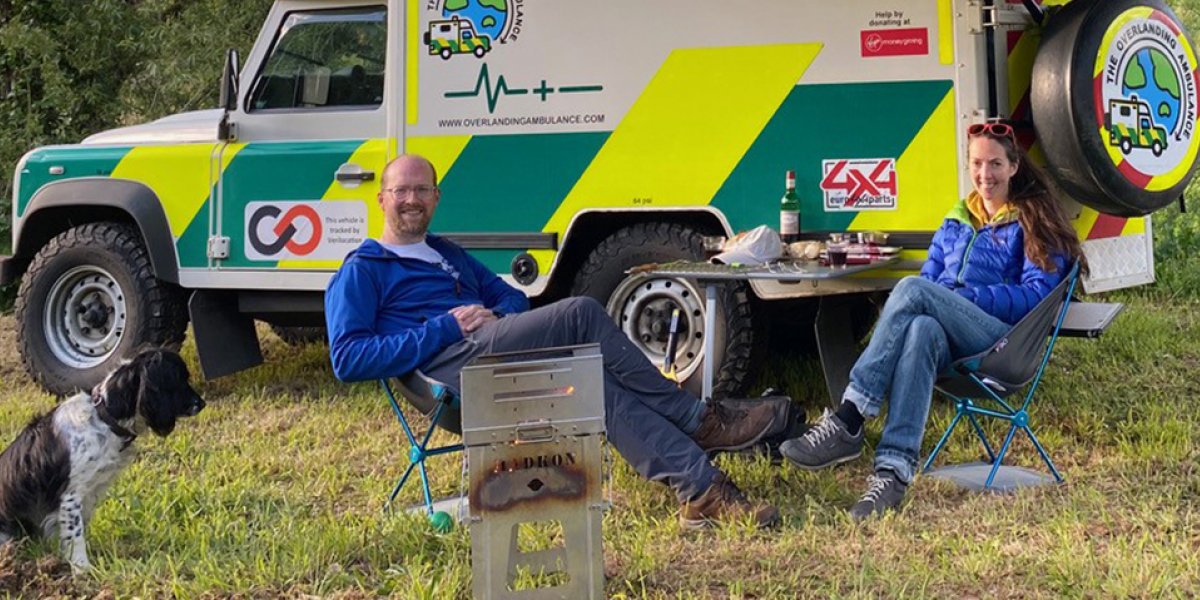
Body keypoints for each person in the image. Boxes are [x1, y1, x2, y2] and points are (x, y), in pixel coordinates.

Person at [325, 154, 782, 529]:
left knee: (593, 379)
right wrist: (445, 327)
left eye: (422, 190)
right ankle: (696, 418)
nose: (411, 199)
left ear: (436, 197)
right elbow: (347, 359)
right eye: (401, 191)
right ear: (382, 198)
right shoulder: (364, 268)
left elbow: (510, 296)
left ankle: (701, 490)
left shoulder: (446, 253)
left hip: (487, 346)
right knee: (580, 312)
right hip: (449, 371)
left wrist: (495, 314)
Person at [779, 121, 1087, 519]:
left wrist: (965, 297)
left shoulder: (1033, 220)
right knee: (921, 326)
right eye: (977, 163)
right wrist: (940, 300)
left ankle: (852, 414)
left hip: (1002, 343)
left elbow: (1036, 297)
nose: (984, 174)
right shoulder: (956, 219)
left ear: (1013, 167)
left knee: (912, 289)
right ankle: (893, 471)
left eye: (995, 164)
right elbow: (930, 284)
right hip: (950, 339)